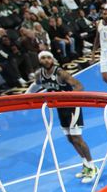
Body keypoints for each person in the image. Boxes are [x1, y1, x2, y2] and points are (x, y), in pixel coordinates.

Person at [26, 51, 98, 183]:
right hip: (60, 109)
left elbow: (79, 86)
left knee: (77, 138)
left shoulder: (60, 73)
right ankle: (86, 166)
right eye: (43, 58)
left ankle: (93, 167)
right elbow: (35, 85)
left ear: (52, 59)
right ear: (39, 60)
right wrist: (26, 96)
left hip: (72, 107)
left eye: (49, 57)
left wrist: (69, 95)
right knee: (70, 139)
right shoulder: (39, 74)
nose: (46, 60)